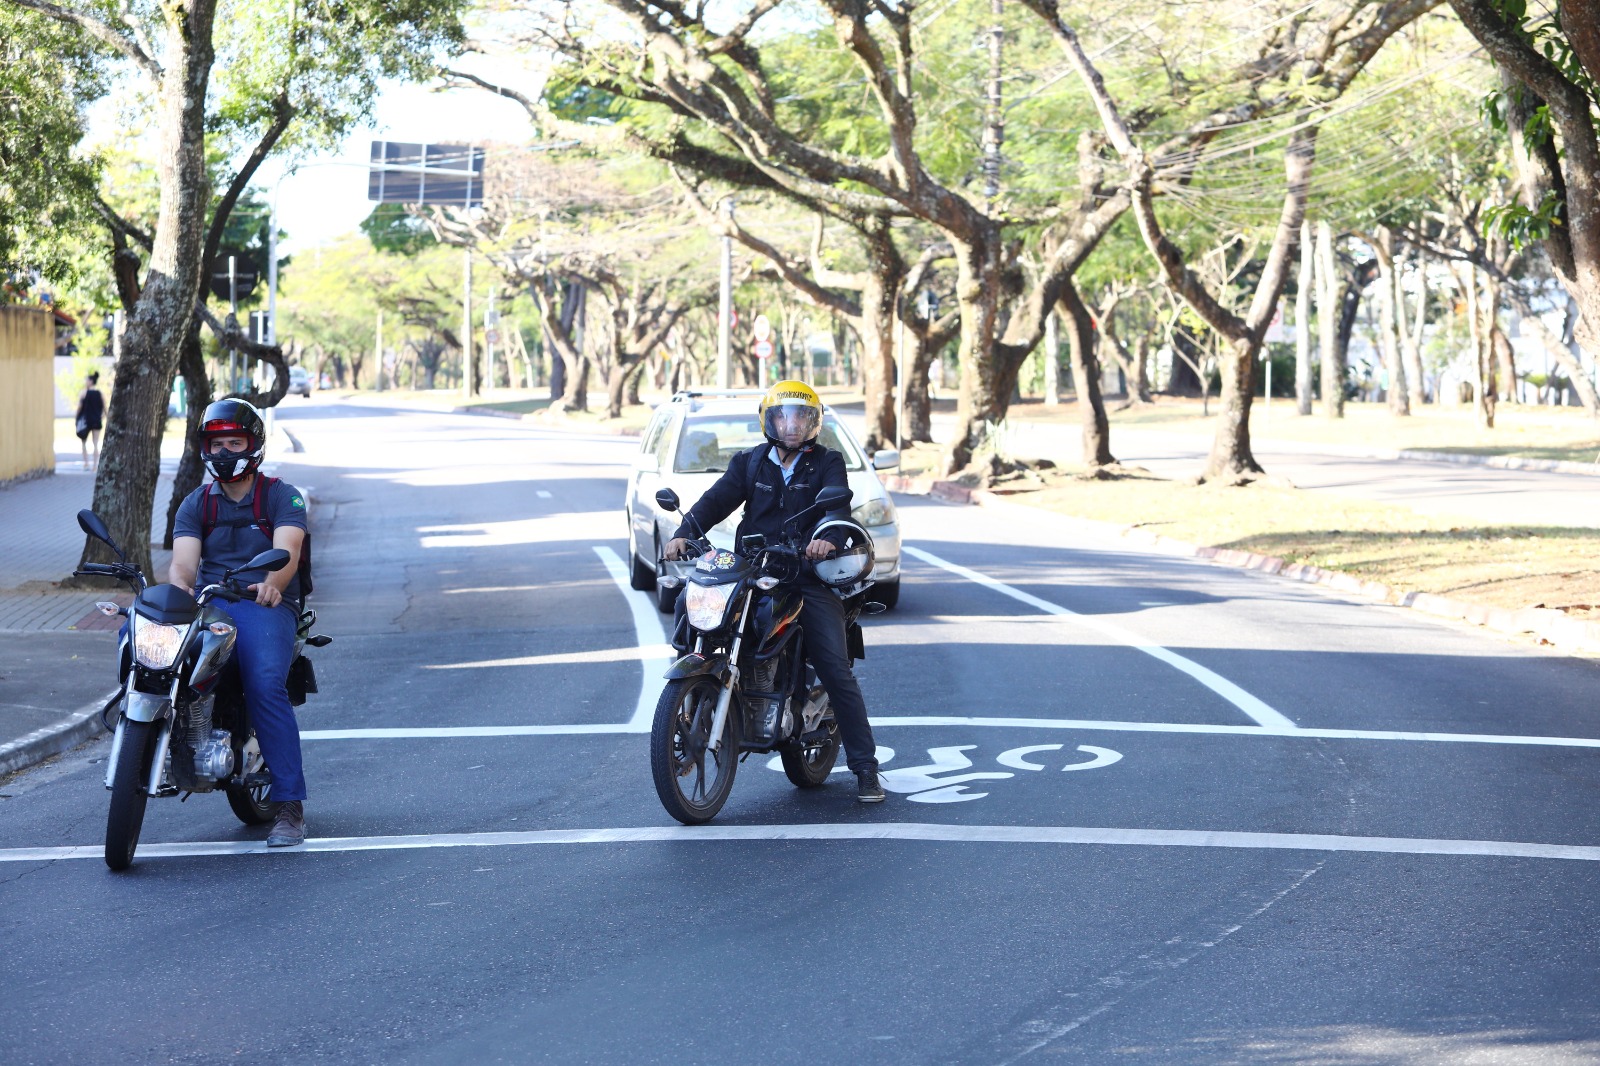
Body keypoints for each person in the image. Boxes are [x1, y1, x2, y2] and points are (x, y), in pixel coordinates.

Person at [664, 380, 886, 803]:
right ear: (768, 420)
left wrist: (828, 541)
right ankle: (689, 702)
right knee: (689, 601)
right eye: (783, 416)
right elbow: (714, 503)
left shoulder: (827, 463)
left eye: (801, 416)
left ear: (813, 422)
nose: (792, 424)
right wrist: (682, 533)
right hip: (752, 568)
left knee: (835, 668)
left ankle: (865, 769)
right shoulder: (749, 464)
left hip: (805, 575)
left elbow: (837, 511)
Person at [169, 399, 311, 846]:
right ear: (205, 448)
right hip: (210, 605)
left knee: (265, 683)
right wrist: (181, 591)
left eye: (236, 442)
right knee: (153, 660)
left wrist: (273, 583)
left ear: (254, 446)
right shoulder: (196, 503)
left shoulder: (281, 496)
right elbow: (183, 565)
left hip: (265, 605)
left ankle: (289, 806)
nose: (226, 451)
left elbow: (287, 552)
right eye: (218, 443)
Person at [75, 372, 105, 470]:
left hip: (85, 421)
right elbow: (105, 407)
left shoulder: (84, 393)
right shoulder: (100, 393)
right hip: (96, 420)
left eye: (86, 380)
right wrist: (103, 416)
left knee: (83, 442)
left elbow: (79, 407)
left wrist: (76, 417)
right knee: (95, 443)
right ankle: (95, 465)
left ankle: (86, 463)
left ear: (91, 381)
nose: (85, 382)